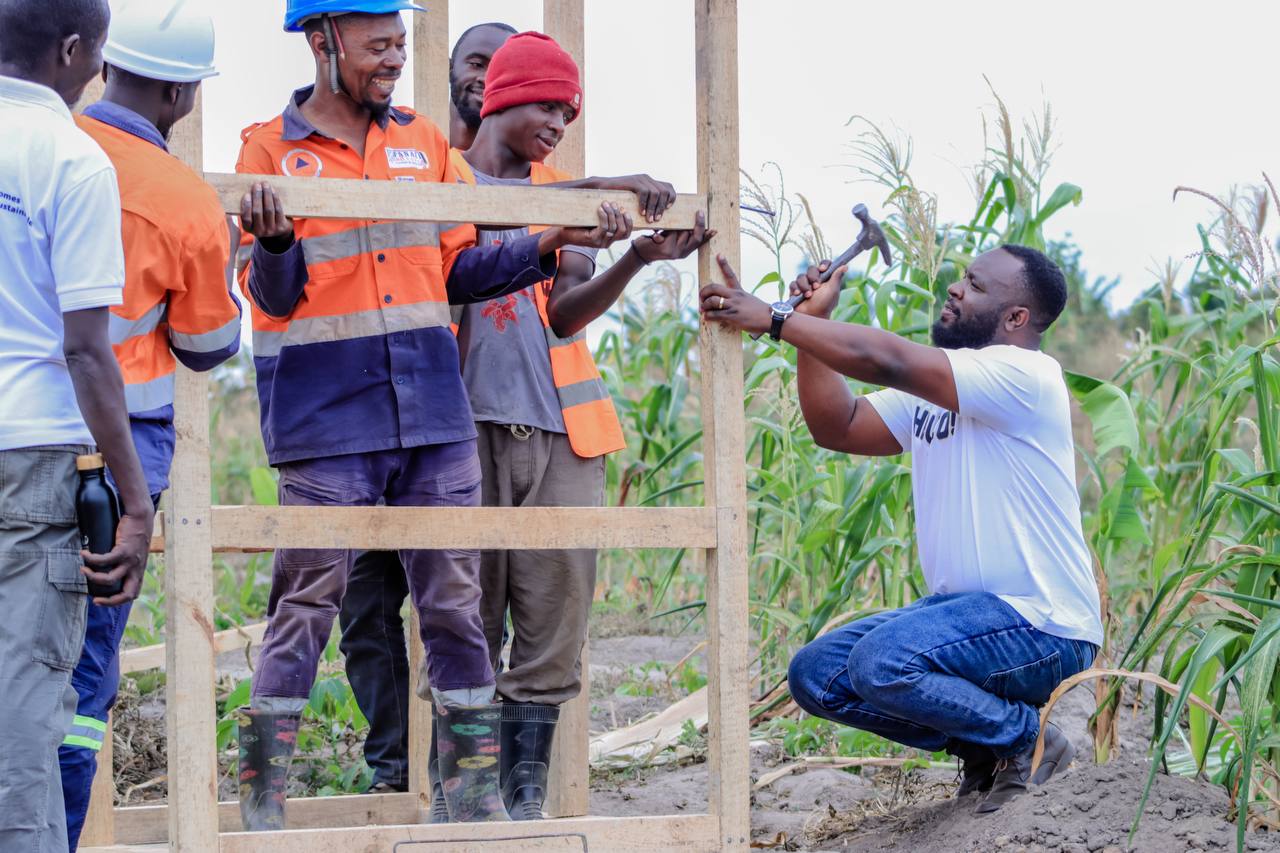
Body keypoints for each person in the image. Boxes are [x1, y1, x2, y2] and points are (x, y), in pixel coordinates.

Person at [232, 2, 624, 827]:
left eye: (400, 45)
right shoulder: (271, 149)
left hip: (432, 414)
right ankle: (263, 798)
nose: (392, 61)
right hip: (325, 416)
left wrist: (546, 244)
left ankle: (475, 799)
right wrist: (272, 244)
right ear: (322, 41)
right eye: (377, 46)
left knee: (452, 604)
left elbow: (464, 270)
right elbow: (267, 295)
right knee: (305, 598)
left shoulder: (423, 144)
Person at [336, 24, 689, 808]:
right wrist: (591, 187)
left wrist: (634, 254)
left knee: (553, 623)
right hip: (460, 430)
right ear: (503, 99)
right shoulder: (440, 174)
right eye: (549, 106)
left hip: (563, 432)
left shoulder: (574, 195)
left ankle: (524, 803)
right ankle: (463, 802)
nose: (559, 124)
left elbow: (565, 315)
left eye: (568, 112)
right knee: (464, 621)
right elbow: (452, 243)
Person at [698, 246, 1102, 813]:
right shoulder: (939, 393)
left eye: (977, 286)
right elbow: (838, 426)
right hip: (967, 621)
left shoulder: (1024, 375)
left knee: (881, 662)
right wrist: (815, 321)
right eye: (963, 278)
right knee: (817, 675)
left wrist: (778, 320)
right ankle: (985, 744)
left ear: (1016, 319)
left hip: (1041, 626)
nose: (957, 288)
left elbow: (887, 360)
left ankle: (1027, 741)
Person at [60, 4, 240, 848]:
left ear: (104, 69)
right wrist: (232, 256)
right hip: (118, 456)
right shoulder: (184, 199)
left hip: (19, 431)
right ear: (180, 95)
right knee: (82, 670)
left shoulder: (43, 149)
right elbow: (208, 347)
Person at [0, 0, 154, 849]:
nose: (96, 73)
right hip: (32, 459)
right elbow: (87, 350)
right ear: (69, 50)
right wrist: (135, 501)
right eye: (94, 57)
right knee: (23, 705)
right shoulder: (73, 159)